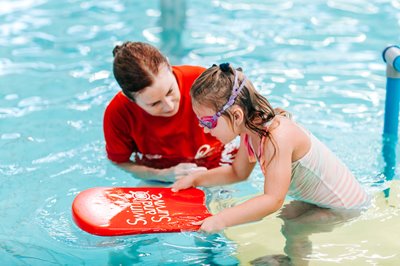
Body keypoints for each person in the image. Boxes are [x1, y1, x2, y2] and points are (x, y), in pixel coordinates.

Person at [171, 63, 371, 233]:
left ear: (237, 115)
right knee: (290, 214)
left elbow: (272, 200)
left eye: (207, 122)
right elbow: (237, 172)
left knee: (292, 225)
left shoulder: (278, 137)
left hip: (345, 206)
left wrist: (220, 219)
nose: (204, 130)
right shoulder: (250, 132)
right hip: (316, 200)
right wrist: (196, 179)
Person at [103, 42, 235, 182]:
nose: (169, 106)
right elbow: (120, 162)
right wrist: (163, 175)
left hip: (221, 160)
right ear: (131, 99)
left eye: (170, 91)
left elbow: (247, 121)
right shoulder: (119, 113)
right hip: (161, 174)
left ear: (170, 66)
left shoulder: (203, 83)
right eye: (154, 103)